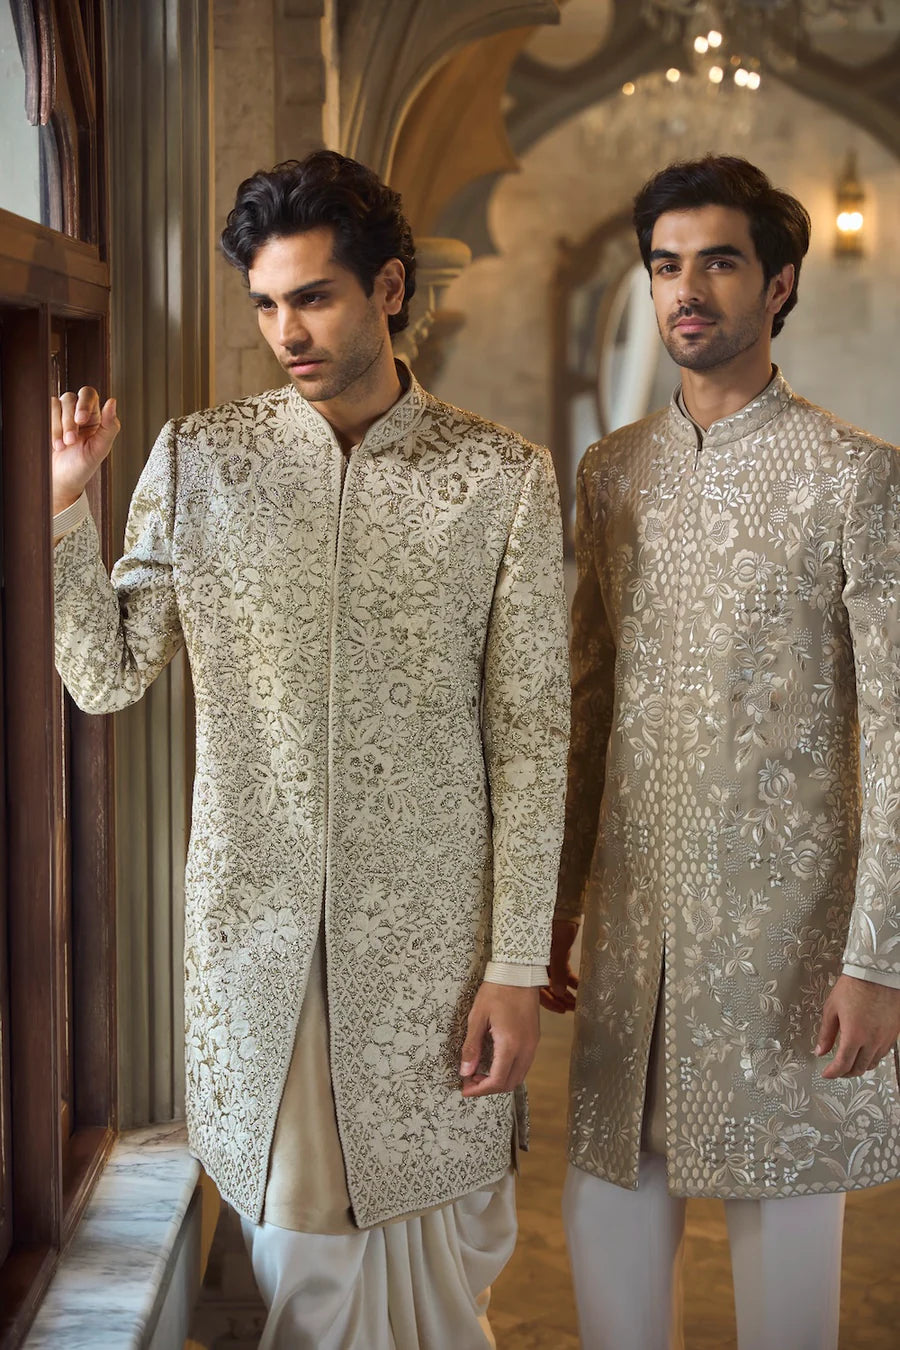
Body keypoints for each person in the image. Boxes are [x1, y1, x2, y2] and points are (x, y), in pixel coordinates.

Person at [51, 150, 570, 1350]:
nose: (286, 331)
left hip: (434, 947)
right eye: (266, 304)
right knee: (304, 1258)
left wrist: (513, 962)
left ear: (388, 288)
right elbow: (107, 674)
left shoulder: (497, 478)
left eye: (314, 297)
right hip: (260, 941)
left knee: (452, 1253)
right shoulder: (202, 460)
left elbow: (533, 736)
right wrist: (65, 504)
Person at [544, 155, 900, 1350]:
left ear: (779, 283)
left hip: (789, 950)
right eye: (665, 266)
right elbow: (588, 700)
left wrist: (881, 958)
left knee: (787, 1297)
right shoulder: (613, 473)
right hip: (629, 941)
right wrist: (553, 903)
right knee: (608, 1251)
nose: (686, 290)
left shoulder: (857, 478)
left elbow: (898, 730)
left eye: (719, 263)